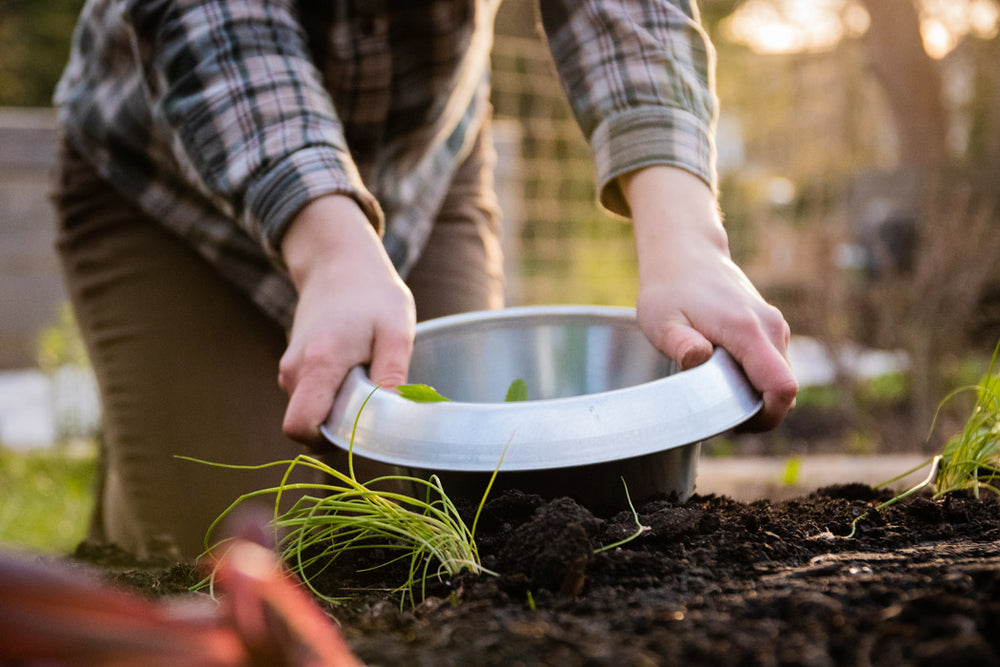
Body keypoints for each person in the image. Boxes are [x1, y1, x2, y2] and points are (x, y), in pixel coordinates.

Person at [53, 0, 798, 559]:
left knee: (453, 527)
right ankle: (135, 496)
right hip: (171, 185)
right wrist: (331, 249)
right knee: (236, 549)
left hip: (420, 162)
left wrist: (687, 234)